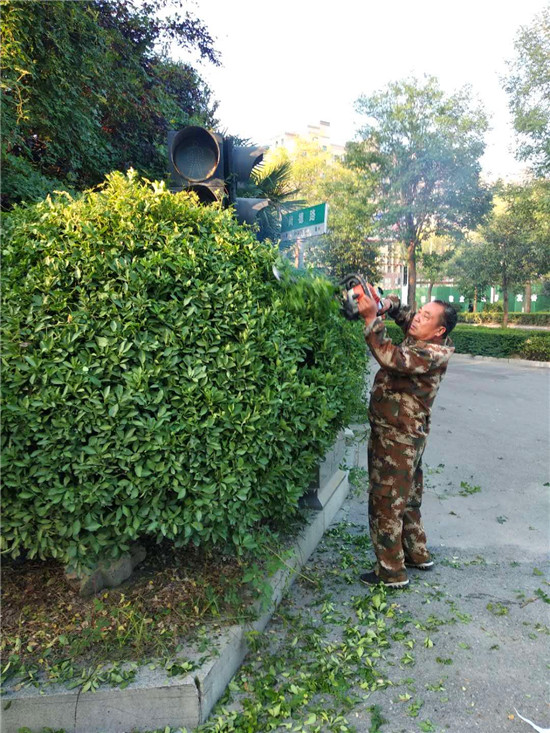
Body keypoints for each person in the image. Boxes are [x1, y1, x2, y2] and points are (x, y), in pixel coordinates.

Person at [356, 292, 457, 589]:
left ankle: (391, 572)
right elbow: (406, 316)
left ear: (439, 330)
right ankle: (416, 552)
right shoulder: (427, 339)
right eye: (420, 312)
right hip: (407, 432)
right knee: (408, 497)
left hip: (397, 435)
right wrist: (388, 305)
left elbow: (391, 357)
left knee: (386, 500)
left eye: (426, 317)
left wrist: (371, 318)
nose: (417, 318)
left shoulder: (429, 353)